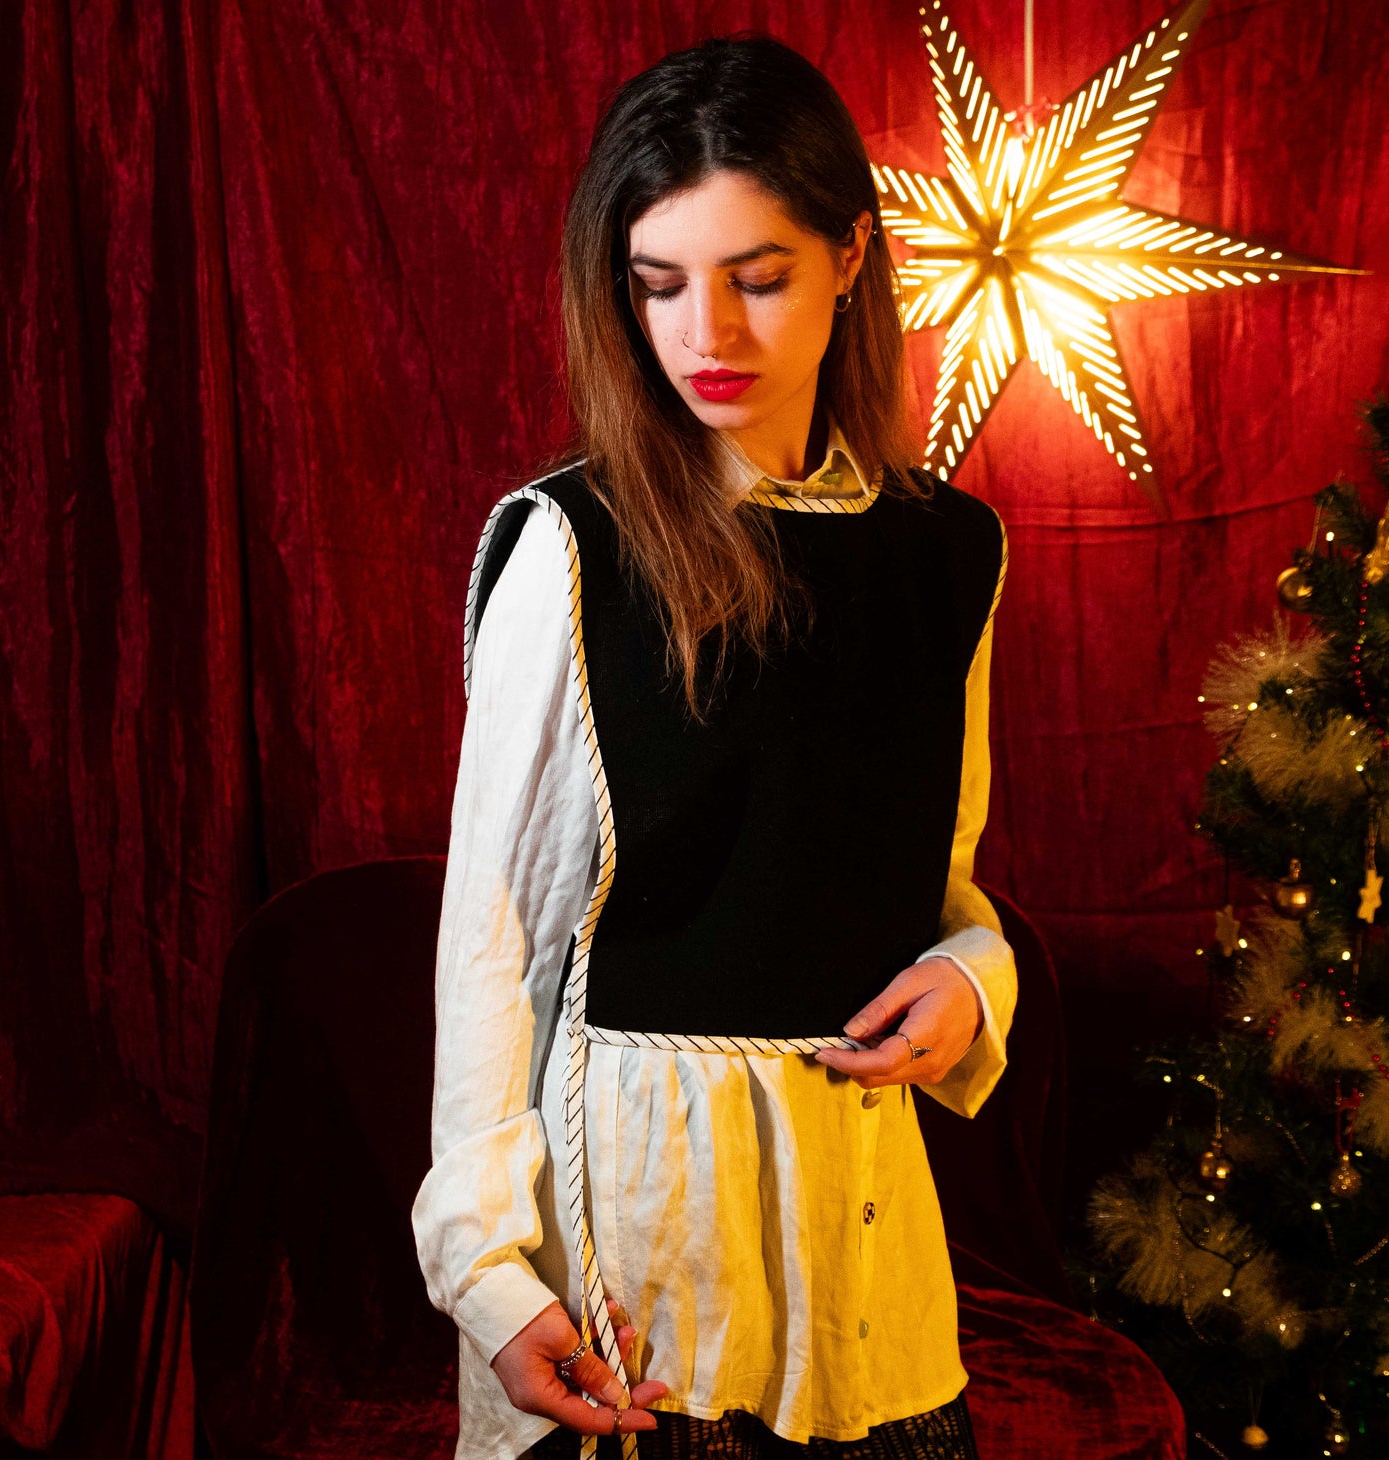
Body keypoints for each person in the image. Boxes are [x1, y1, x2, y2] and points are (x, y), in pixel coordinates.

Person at [413, 33, 1015, 1460]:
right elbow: (496, 940)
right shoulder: (574, 546)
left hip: (863, 1221)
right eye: (660, 284)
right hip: (643, 1224)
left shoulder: (949, 551)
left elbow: (940, 880)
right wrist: (486, 1271)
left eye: (758, 277)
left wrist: (972, 979)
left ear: (851, 256)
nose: (707, 336)